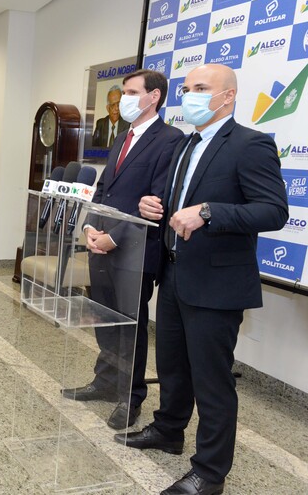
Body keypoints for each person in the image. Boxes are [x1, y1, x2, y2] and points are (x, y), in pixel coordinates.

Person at [126, 64, 288, 495]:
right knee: (172, 365)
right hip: (175, 274)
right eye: (186, 89)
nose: (190, 96)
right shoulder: (186, 144)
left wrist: (209, 212)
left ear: (228, 96)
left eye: (201, 88)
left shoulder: (251, 144)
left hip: (217, 285)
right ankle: (168, 430)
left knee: (211, 381)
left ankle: (210, 473)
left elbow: (274, 211)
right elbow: (176, 201)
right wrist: (152, 205)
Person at [61, 69, 182, 430]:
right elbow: (102, 191)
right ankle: (105, 381)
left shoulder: (169, 140)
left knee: (131, 326)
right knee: (104, 318)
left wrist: (113, 238)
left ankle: (131, 396)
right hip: (100, 247)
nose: (124, 100)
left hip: (135, 251)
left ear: (153, 97)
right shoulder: (122, 137)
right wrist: (88, 228)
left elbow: (156, 203)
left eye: (130, 92)